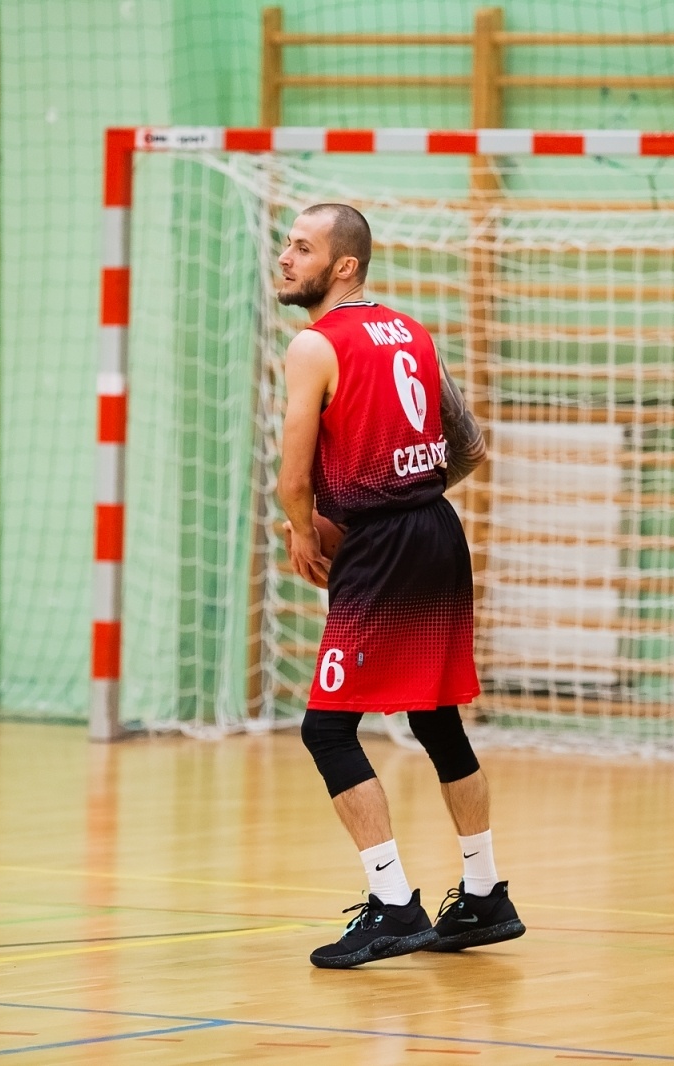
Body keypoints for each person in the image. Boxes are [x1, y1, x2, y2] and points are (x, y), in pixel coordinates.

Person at [275, 202, 525, 969]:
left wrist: (301, 526)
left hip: (382, 546)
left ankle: (392, 905)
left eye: (302, 246)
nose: (286, 257)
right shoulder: (412, 332)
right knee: (435, 718)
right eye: (287, 243)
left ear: (343, 266)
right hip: (437, 532)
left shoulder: (314, 345)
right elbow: (470, 447)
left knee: (326, 728)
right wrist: (408, 491)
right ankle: (483, 896)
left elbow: (292, 479)